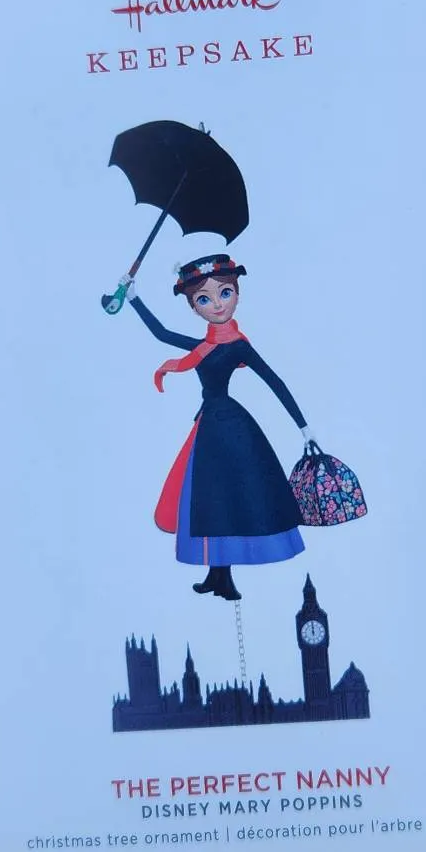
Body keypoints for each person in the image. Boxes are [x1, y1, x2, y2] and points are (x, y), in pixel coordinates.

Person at [123, 253, 316, 601]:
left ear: (237, 293)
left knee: (230, 495)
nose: (217, 304)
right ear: (193, 307)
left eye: (225, 293)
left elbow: (275, 382)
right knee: (211, 497)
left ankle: (222, 576)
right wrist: (133, 297)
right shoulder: (203, 346)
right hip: (209, 427)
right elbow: (161, 333)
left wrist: (304, 427)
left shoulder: (237, 345)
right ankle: (219, 576)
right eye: (204, 299)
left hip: (231, 429)